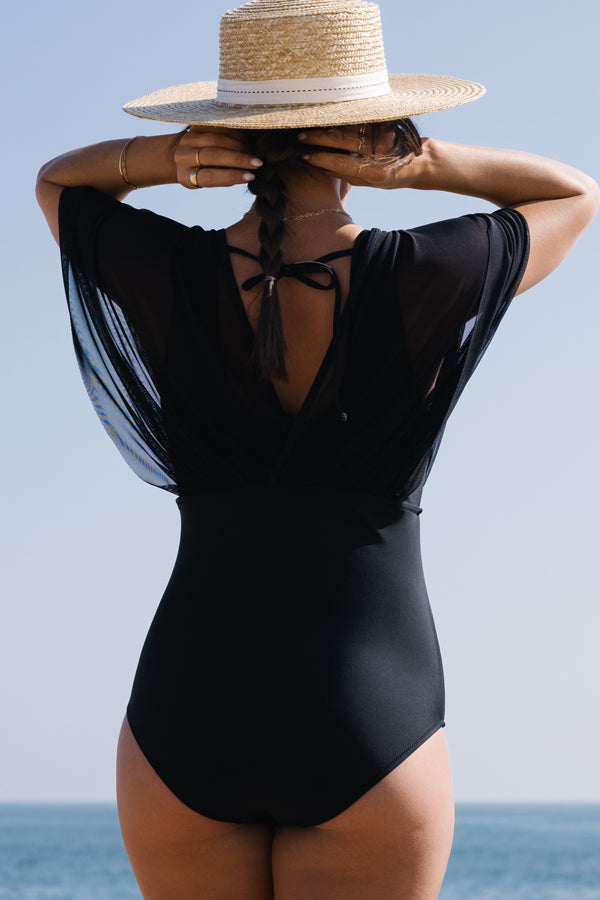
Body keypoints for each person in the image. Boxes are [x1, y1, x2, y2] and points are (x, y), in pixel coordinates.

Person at [35, 0, 598, 897]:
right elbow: (574, 194)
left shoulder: (168, 272)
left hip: (189, 695)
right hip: (370, 706)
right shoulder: (427, 272)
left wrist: (166, 160)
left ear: (231, 135)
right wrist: (420, 166)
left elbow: (60, 184)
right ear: (373, 131)